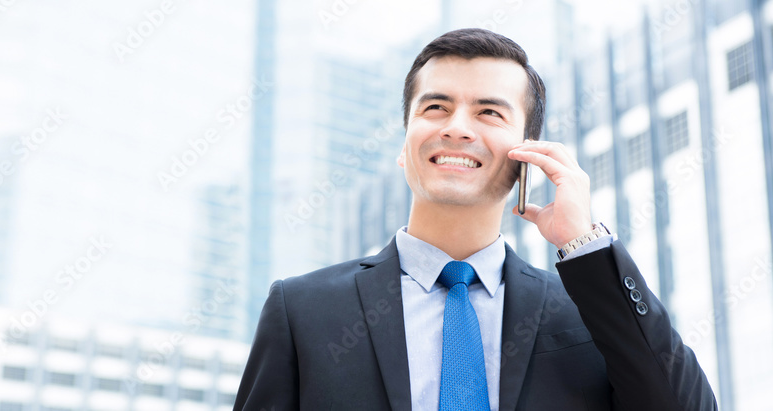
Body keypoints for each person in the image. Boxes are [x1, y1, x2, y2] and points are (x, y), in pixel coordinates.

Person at [233, 28, 717, 411]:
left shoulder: (585, 313)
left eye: (488, 112)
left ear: (527, 155)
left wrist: (584, 243)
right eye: (436, 107)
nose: (456, 127)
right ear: (405, 146)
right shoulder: (301, 310)